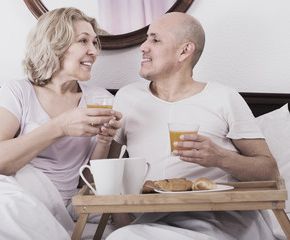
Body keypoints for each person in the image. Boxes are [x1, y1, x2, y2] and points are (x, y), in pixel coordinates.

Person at [107, 12, 279, 239]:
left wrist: (221, 158)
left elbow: (271, 173)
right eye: (146, 38)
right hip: (150, 221)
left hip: (219, 219)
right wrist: (120, 218)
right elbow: (107, 170)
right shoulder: (127, 98)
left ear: (184, 51)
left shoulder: (223, 98)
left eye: (155, 40)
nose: (143, 47)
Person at [0, 7, 122, 222]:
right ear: (56, 44)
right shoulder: (19, 91)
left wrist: (103, 142)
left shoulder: (99, 99)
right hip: (19, 197)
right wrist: (59, 127)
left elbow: (88, 183)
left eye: (94, 42)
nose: (94, 51)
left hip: (66, 204)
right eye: (83, 41)